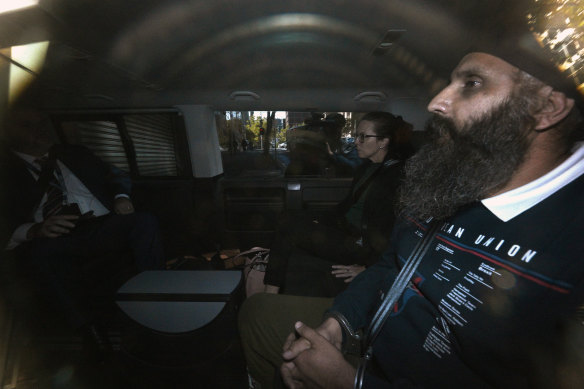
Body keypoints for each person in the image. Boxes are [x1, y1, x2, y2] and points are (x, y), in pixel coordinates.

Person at [238, 51, 584, 388]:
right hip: (373, 333)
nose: (436, 102)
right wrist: (339, 323)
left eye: (472, 83)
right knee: (257, 316)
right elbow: (392, 265)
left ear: (546, 108)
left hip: (383, 372)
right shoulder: (447, 187)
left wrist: (350, 381)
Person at [0, 105, 166, 355]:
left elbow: (116, 174)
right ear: (7, 132)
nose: (40, 130)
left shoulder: (74, 154)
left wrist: (121, 195)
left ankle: (158, 299)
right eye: (27, 125)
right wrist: (34, 230)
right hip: (55, 237)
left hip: (101, 225)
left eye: (42, 123)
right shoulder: (6, 172)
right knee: (39, 254)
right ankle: (90, 331)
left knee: (144, 221)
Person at [264, 112, 414, 296]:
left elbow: (393, 228)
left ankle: (269, 294)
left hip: (360, 244)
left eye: (363, 137)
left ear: (383, 141)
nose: (356, 141)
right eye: (356, 136)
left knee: (289, 227)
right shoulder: (367, 168)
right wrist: (320, 220)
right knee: (287, 216)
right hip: (345, 228)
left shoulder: (396, 177)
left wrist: (369, 266)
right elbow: (347, 206)